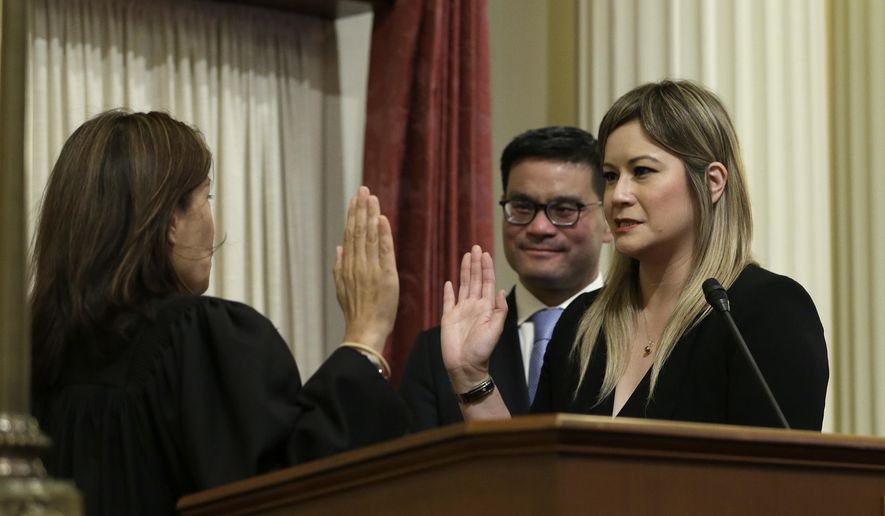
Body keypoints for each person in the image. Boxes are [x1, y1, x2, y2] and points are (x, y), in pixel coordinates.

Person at [30, 110, 409, 515]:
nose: (211, 219)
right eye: (205, 197)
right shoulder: (197, 340)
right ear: (171, 220)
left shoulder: (38, 353)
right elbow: (288, 493)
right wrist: (365, 339)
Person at [440, 80, 829, 430]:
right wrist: (472, 378)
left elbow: (781, 485)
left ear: (712, 183)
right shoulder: (583, 322)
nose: (618, 195)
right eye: (610, 176)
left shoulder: (764, 311)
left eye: (641, 171)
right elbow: (534, 483)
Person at [399, 127, 611, 430]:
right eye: (522, 207)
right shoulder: (438, 354)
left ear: (608, 222)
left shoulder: (644, 335)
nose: (539, 227)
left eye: (564, 210)